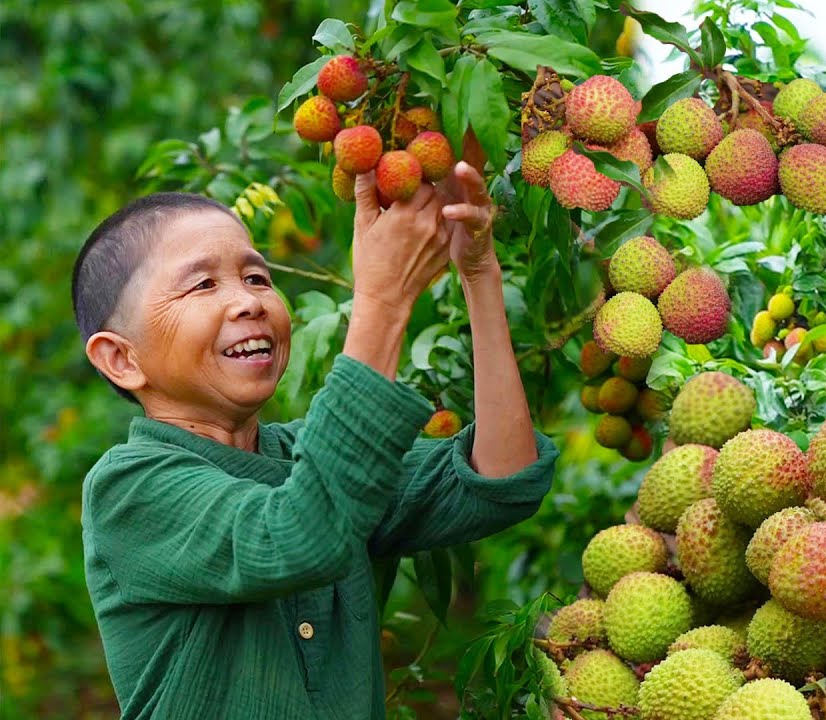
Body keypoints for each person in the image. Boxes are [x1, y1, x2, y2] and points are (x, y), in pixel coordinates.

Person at [71, 162, 558, 719]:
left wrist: (478, 274)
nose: (249, 301)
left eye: (257, 278)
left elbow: (502, 477)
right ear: (121, 359)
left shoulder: (308, 461)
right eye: (203, 284)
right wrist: (382, 300)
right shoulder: (127, 489)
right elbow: (298, 533)